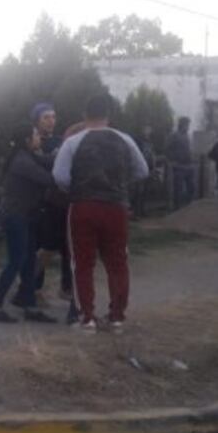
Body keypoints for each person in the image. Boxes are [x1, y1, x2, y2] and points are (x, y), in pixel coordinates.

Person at [53, 94, 149, 333]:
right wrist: (121, 184)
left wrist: (75, 189)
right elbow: (142, 170)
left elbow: (60, 176)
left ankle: (87, 319)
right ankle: (116, 317)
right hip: (116, 206)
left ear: (85, 116)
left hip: (83, 206)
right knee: (118, 263)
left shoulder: (73, 142)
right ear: (109, 116)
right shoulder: (124, 140)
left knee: (82, 263)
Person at [0, 123, 58, 324]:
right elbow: (48, 179)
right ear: (27, 140)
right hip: (15, 217)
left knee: (28, 262)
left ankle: (30, 306)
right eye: (35, 135)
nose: (39, 138)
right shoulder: (22, 161)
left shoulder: (28, 156)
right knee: (17, 260)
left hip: (26, 216)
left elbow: (46, 160)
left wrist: (59, 156)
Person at [29, 103, 74, 313]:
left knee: (67, 246)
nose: (51, 121)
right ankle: (34, 288)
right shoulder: (33, 142)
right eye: (46, 117)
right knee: (44, 247)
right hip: (41, 203)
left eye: (53, 117)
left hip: (61, 201)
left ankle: (66, 287)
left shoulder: (60, 142)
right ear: (37, 120)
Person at [165, 117, 195, 209]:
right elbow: (167, 149)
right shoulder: (174, 135)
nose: (188, 127)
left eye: (188, 125)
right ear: (182, 124)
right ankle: (177, 208)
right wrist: (173, 160)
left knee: (191, 187)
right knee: (178, 188)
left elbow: (188, 150)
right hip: (179, 166)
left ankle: (189, 206)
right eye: (187, 124)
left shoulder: (187, 136)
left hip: (188, 165)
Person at [131, 125, 156, 219]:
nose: (148, 131)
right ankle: (135, 212)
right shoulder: (138, 140)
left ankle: (142, 210)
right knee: (138, 190)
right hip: (140, 167)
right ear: (142, 130)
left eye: (149, 129)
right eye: (146, 129)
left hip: (149, 167)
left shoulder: (150, 141)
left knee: (145, 190)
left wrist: (153, 165)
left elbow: (152, 153)